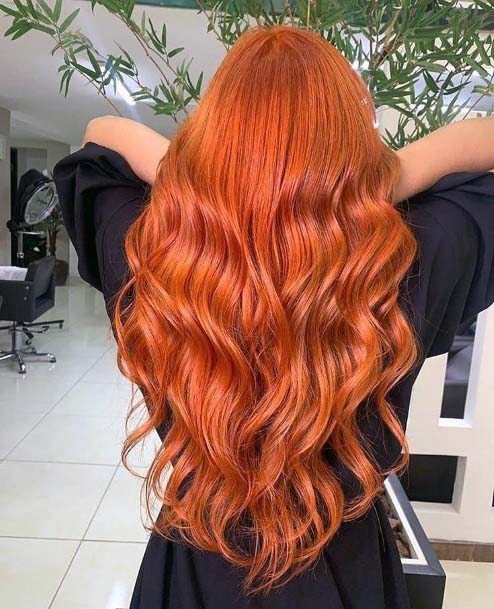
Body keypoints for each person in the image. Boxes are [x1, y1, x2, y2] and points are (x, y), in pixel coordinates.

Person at [53, 24, 494, 609]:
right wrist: (381, 180)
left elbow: (100, 138)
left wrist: (202, 184)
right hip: (349, 575)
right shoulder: (404, 261)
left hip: (193, 566)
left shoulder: (152, 254)